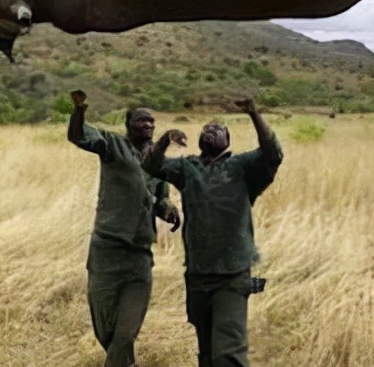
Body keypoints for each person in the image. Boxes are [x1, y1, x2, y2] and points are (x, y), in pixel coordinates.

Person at [143, 98, 283, 367]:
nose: (210, 131)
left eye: (217, 129)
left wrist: (254, 113)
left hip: (232, 275)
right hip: (197, 274)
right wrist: (164, 141)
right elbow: (151, 167)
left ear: (228, 141)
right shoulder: (187, 168)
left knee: (228, 355)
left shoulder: (243, 167)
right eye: (206, 129)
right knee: (206, 354)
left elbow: (273, 153)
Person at [68, 89, 182, 367]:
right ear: (128, 125)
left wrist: (167, 208)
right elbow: (78, 135)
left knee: (126, 331)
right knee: (105, 328)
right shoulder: (111, 145)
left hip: (139, 255)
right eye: (142, 120)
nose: (149, 125)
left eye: (152, 121)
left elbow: (161, 198)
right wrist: (80, 110)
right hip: (106, 251)